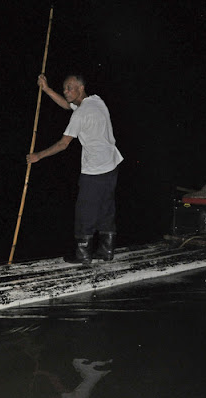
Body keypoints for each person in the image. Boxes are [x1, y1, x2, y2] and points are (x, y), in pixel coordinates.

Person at [26, 74, 123, 263]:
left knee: (85, 211)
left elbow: (63, 144)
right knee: (106, 207)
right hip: (112, 164)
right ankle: (106, 250)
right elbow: (66, 105)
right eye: (64, 88)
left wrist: (38, 156)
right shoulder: (96, 101)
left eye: (69, 88)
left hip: (95, 169)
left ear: (81, 87)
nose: (66, 91)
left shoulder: (80, 114)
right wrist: (46, 89)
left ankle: (83, 254)